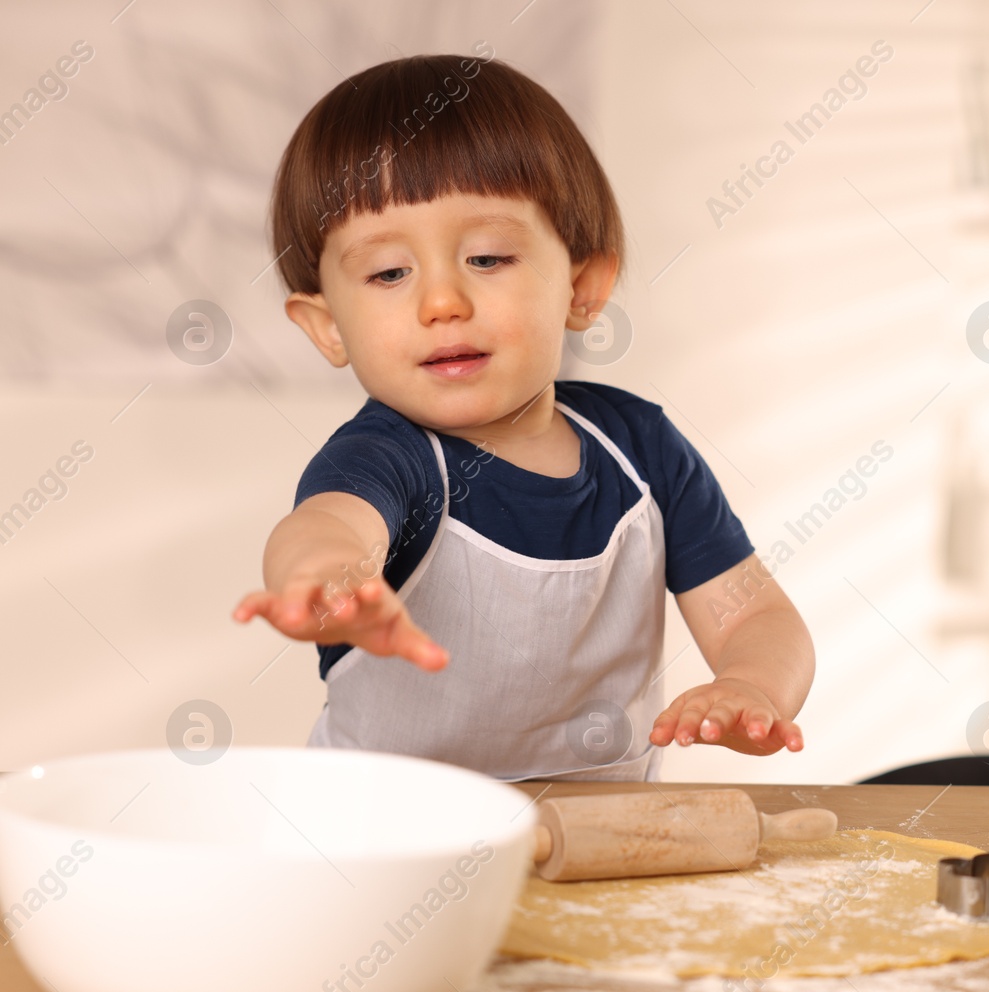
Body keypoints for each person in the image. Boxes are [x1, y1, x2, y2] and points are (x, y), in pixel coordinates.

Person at [232, 50, 813, 781]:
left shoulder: (642, 450)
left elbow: (756, 615)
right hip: (397, 848)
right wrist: (327, 582)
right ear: (327, 328)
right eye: (388, 273)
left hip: (601, 849)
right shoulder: (388, 456)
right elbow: (327, 526)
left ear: (582, 286)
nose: (441, 301)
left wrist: (753, 686)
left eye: (487, 258)